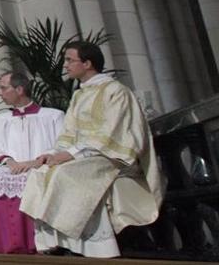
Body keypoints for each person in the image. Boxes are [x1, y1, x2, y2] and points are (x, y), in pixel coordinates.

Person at [20, 41, 164, 258]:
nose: (65, 65)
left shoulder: (116, 91)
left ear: (87, 63)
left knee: (66, 174)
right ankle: (60, 243)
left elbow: (113, 134)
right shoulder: (80, 95)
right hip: (84, 155)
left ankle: (96, 247)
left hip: (112, 156)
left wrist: (70, 154)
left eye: (70, 60)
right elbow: (68, 133)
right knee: (41, 173)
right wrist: (53, 153)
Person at [0, 71, 64, 254]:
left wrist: (36, 161)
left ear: (20, 89)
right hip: (13, 169)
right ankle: (6, 243)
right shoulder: (1, 120)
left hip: (44, 167)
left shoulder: (53, 116)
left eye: (3, 87)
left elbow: (64, 144)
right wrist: (9, 161)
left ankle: (40, 243)